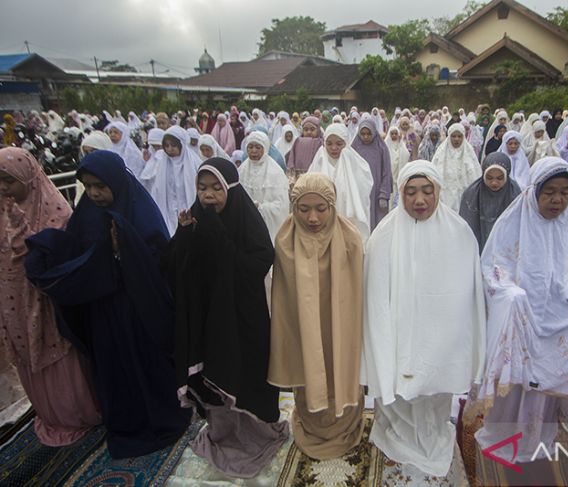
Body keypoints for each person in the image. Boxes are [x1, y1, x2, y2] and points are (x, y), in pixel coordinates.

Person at [24, 150, 191, 458]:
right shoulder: (86, 213)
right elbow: (77, 250)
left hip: (137, 307)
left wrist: (124, 249)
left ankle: (158, 417)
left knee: (144, 363)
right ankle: (125, 422)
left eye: (100, 185)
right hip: (103, 309)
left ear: (115, 181)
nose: (94, 193)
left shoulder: (138, 208)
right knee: (113, 366)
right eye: (88, 186)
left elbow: (160, 259)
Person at [470, 156, 568, 462]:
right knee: (514, 390)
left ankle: (537, 440)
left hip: (561, 324)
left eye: (565, 192)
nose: (557, 199)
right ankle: (502, 437)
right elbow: (493, 270)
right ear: (535, 191)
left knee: (544, 392)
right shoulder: (514, 222)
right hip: (522, 323)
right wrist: (510, 294)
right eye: (550, 191)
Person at [362, 160, 486, 476]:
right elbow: (375, 298)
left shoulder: (459, 233)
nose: (419, 200)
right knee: (400, 393)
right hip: (398, 335)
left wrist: (446, 338)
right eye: (411, 192)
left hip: (441, 339)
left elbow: (465, 296)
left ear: (438, 192)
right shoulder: (384, 236)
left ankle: (429, 435)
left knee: (433, 391)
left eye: (427, 191)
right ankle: (400, 435)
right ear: (400, 194)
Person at [166, 157, 286, 476]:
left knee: (245, 373)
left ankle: (256, 434)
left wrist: (217, 233)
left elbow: (260, 261)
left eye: (216, 188)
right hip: (208, 319)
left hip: (242, 318)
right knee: (212, 372)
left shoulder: (246, 218)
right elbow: (176, 265)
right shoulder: (196, 218)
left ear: (230, 188)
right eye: (202, 187)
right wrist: (185, 233)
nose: (208, 195)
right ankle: (222, 432)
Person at [0, 147, 100, 445]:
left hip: (47, 303)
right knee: (28, 356)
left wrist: (24, 238)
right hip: (13, 302)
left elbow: (59, 256)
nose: (3, 188)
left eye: (9, 180)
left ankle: (75, 415)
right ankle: (49, 414)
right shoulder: (4, 209)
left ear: (29, 178)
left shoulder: (56, 211)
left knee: (57, 353)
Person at [268, 173, 365, 459]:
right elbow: (284, 298)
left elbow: (358, 293)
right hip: (302, 326)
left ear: (333, 207)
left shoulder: (349, 239)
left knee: (339, 365)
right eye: (304, 208)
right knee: (308, 363)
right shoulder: (285, 240)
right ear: (293, 208)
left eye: (321, 209)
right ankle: (311, 423)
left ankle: (344, 424)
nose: (312, 218)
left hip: (340, 325)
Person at [307, 124, 373, 242]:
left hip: (349, 221)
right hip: (323, 222)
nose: (333, 148)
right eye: (329, 143)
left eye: (339, 144)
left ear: (346, 143)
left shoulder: (357, 164)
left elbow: (362, 192)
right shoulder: (319, 162)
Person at [140, 126, 202, 236]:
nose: (170, 149)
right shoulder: (162, 163)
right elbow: (158, 188)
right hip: (169, 208)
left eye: (173, 145)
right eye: (166, 146)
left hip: (186, 205)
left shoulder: (193, 162)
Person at [459, 152, 522, 252]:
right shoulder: (472, 195)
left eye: (500, 178)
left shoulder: (515, 195)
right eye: (489, 178)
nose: (494, 183)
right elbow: (465, 230)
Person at [238, 131, 290, 243]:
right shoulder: (242, 170)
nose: (253, 151)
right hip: (246, 223)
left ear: (265, 148)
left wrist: (261, 208)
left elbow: (282, 206)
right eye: (250, 147)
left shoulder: (275, 171)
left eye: (258, 147)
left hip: (267, 226)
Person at [351, 117, 392, 230]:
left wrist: (383, 195)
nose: (365, 137)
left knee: (378, 225)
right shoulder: (354, 148)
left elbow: (386, 172)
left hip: (377, 192)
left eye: (369, 134)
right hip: (360, 192)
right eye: (363, 134)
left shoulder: (381, 148)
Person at [431, 123, 481, 211]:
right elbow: (433, 173)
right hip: (445, 195)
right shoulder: (441, 152)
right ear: (449, 136)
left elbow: (475, 175)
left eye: (459, 136)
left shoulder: (469, 152)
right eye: (453, 136)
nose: (456, 139)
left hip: (464, 194)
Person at [286, 116, 323, 183]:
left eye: (312, 129)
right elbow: (291, 158)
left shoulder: (321, 142)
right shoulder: (297, 141)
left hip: (315, 177)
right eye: (306, 129)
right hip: (298, 178)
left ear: (318, 130)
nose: (309, 132)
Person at [385, 126, 410, 208]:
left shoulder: (401, 145)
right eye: (392, 134)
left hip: (398, 174)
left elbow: (406, 154)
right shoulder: (386, 146)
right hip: (390, 175)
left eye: (396, 134)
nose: (394, 136)